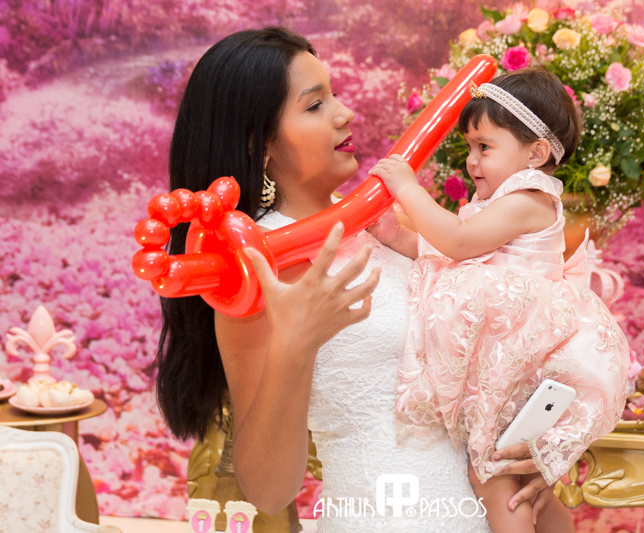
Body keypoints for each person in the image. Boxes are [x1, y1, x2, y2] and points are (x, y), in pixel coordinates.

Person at [156, 28, 565, 532]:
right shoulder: (257, 269)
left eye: (334, 94)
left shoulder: (389, 223)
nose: (344, 113)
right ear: (258, 143)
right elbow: (267, 489)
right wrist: (295, 345)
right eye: (314, 105)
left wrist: (534, 446)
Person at [368, 67, 629, 532]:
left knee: (491, 474)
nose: (472, 161)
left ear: (536, 153)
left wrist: (408, 187)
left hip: (518, 361)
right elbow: (444, 251)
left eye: (484, 147)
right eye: (469, 147)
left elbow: (458, 241)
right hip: (507, 361)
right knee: (517, 476)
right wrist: (396, 236)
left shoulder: (528, 199)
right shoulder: (498, 202)